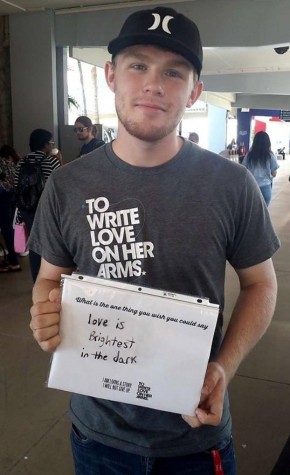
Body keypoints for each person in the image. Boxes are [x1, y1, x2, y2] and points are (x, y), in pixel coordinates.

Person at [29, 6, 279, 475]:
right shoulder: (67, 185)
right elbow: (49, 280)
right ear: (110, 75)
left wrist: (223, 367)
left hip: (195, 435)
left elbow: (261, 285)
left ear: (195, 90)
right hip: (98, 436)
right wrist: (45, 314)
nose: (154, 84)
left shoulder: (231, 185)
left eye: (174, 72)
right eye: (137, 64)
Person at [14, 129, 61, 281]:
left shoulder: (22, 162)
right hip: (47, 210)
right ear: (45, 144)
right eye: (51, 143)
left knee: (34, 245)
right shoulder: (51, 161)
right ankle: (51, 280)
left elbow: (17, 186)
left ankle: (37, 281)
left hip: (27, 209)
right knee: (51, 245)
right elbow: (59, 187)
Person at [242, 131, 279, 206]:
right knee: (263, 214)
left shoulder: (249, 155)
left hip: (252, 186)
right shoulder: (270, 155)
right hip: (265, 187)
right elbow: (274, 173)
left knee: (251, 212)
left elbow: (243, 169)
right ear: (268, 142)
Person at [0, 145, 21, 272]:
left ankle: (14, 261)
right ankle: (15, 255)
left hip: (2, 196)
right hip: (13, 196)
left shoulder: (1, 162)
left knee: (6, 228)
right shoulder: (16, 162)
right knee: (12, 227)